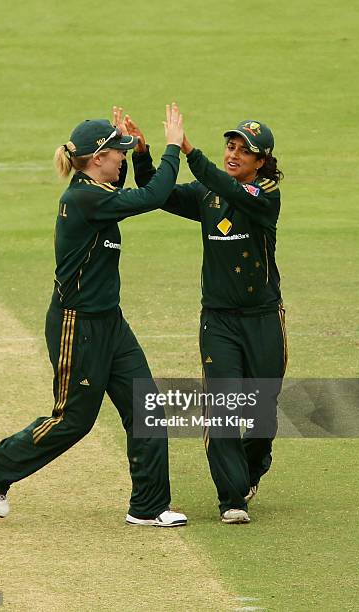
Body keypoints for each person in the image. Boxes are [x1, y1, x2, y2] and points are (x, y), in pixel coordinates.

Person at [0, 104, 188, 528]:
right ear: (96, 160)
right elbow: (152, 197)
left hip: (110, 322)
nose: (122, 158)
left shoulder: (97, 192)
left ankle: (148, 506)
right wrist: (171, 148)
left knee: (147, 408)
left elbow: (129, 189)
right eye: (118, 152)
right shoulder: (85, 197)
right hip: (79, 324)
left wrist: (140, 150)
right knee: (73, 419)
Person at [126, 112, 287, 524]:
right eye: (230, 146)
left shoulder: (266, 193)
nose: (234, 154)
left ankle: (253, 467)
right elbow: (157, 194)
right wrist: (144, 155)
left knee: (262, 409)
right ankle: (232, 498)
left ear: (261, 161)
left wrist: (187, 149)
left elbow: (226, 185)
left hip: (264, 318)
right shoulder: (206, 194)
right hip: (219, 321)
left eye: (243, 151)